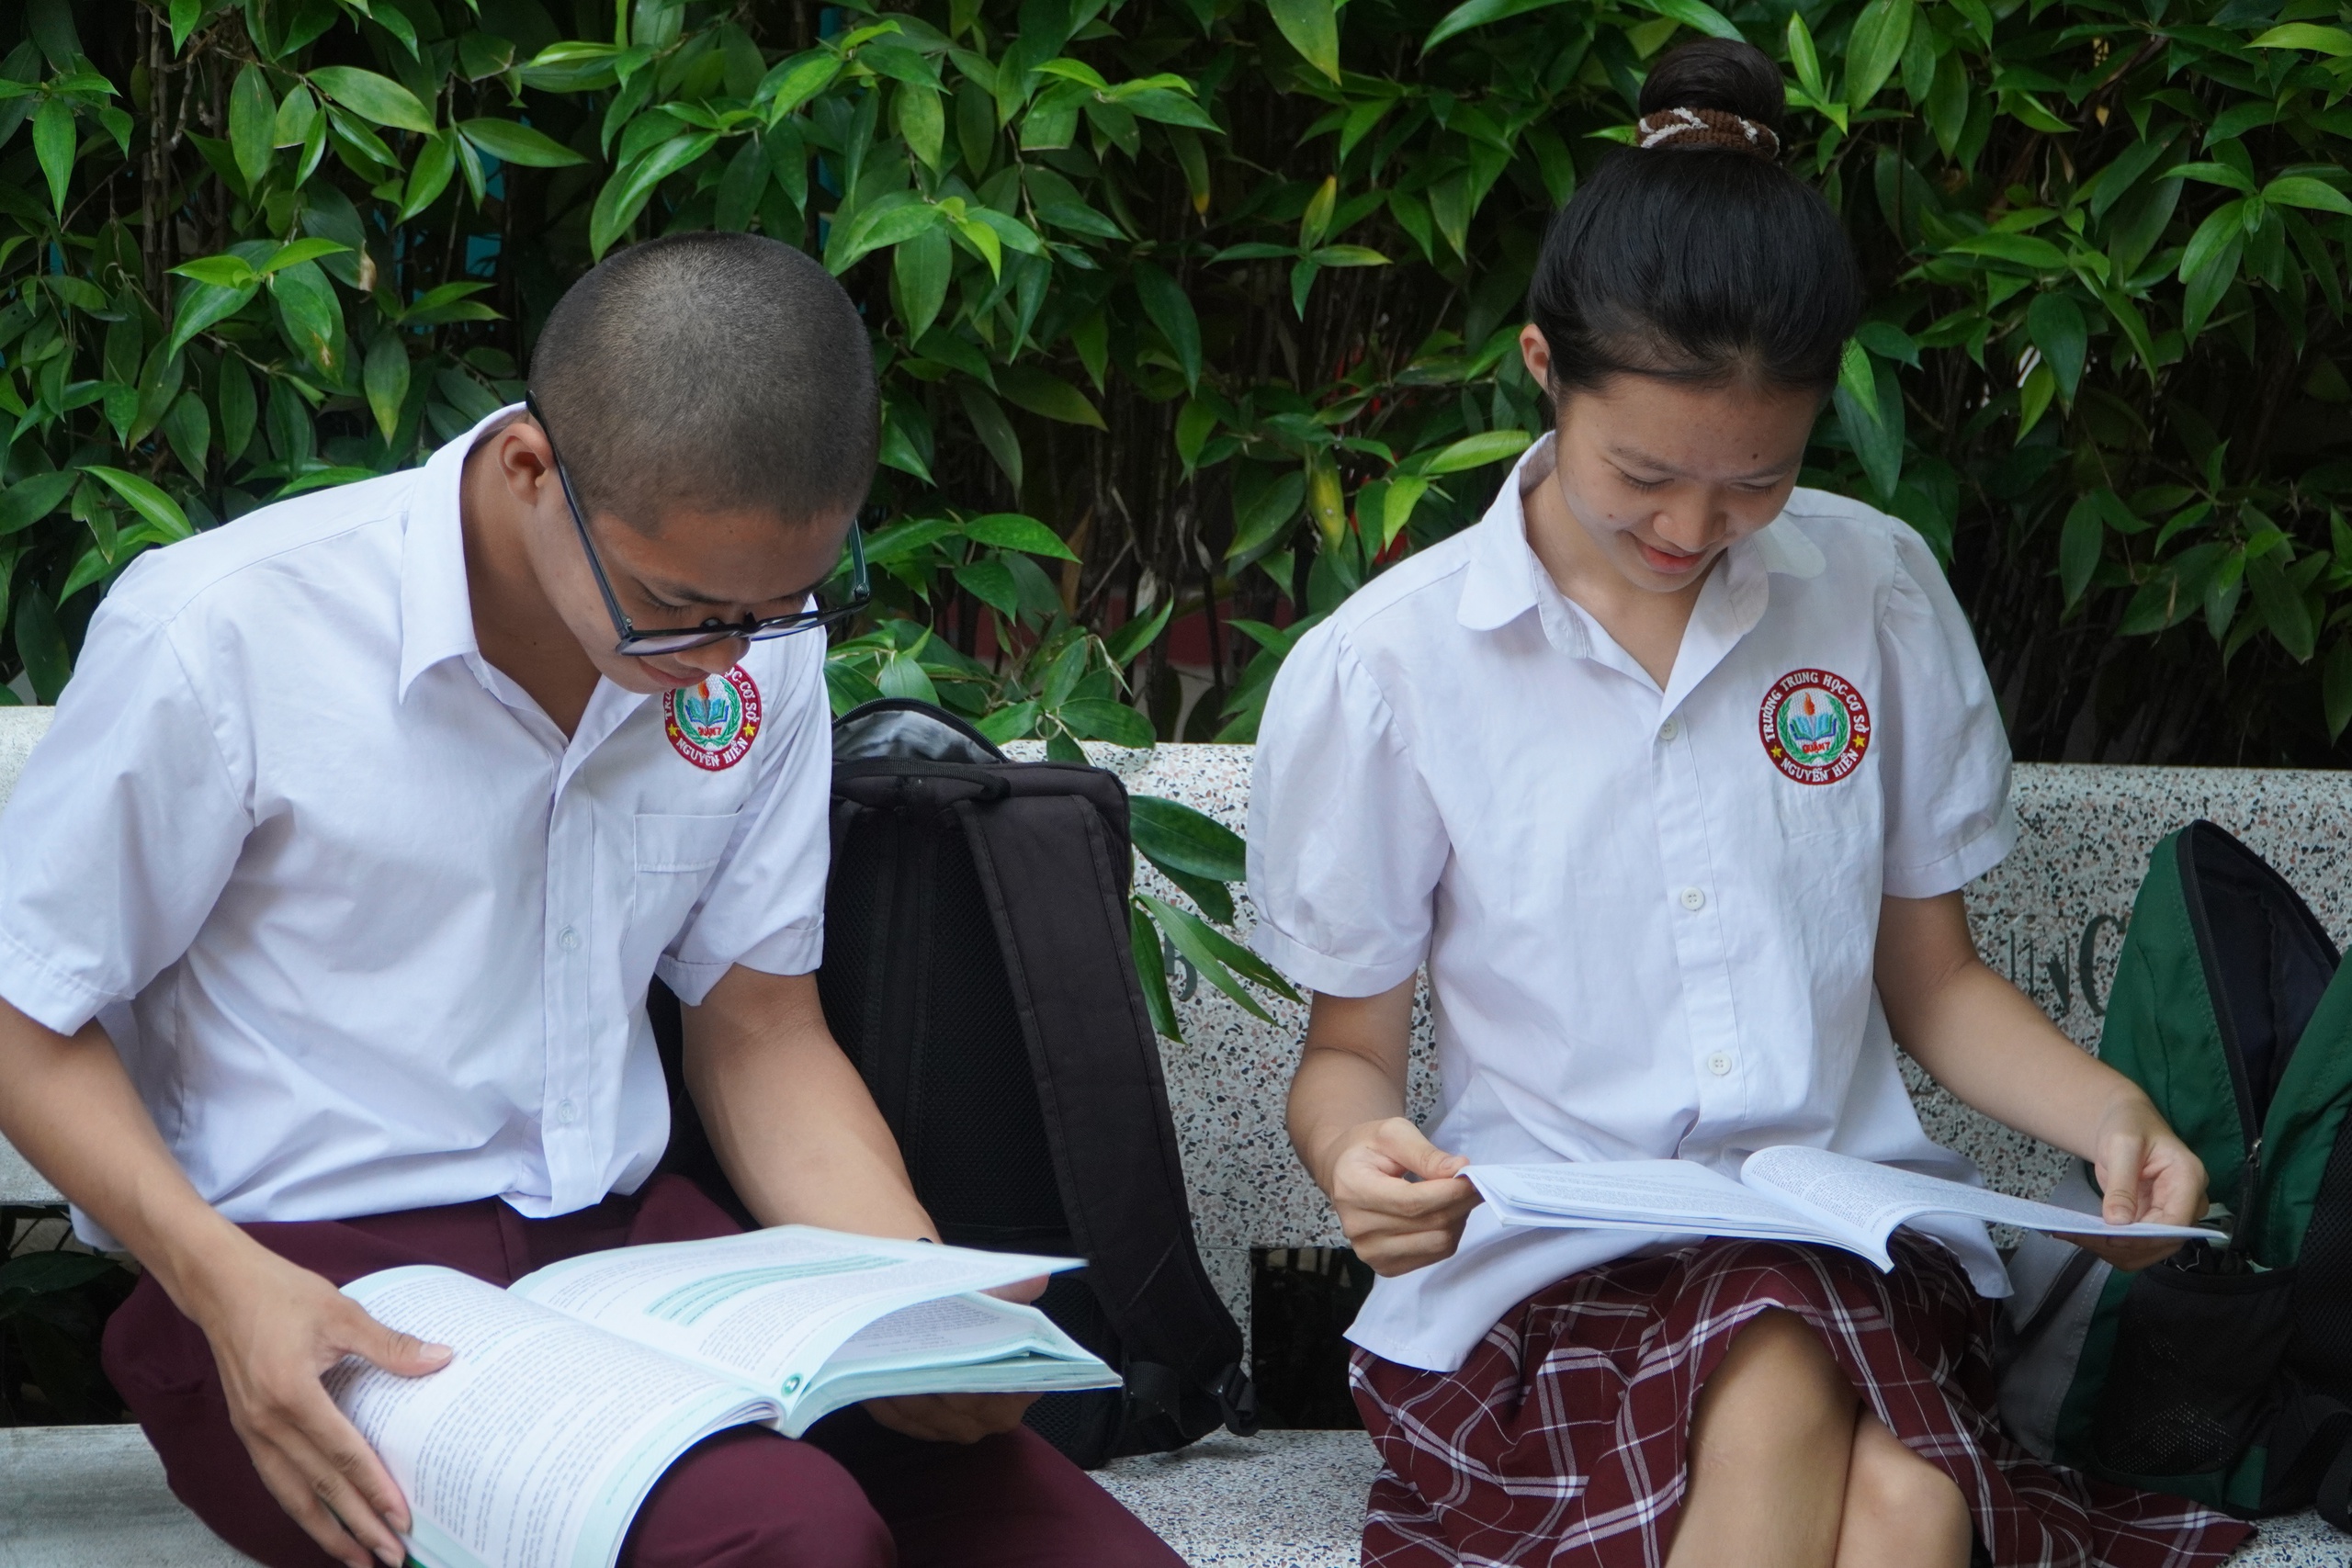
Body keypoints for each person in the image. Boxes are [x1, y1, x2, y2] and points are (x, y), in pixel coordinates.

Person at [0, 232, 1180, 1568]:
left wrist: (914, 1303)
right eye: (682, 605)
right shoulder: (227, 632)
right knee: (788, 1543)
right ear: (531, 470)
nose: (727, 656)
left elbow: (762, 1030)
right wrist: (217, 1280)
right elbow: (21, 1009)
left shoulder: (748, 652)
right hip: (296, 1287)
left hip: (635, 1268)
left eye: (779, 606)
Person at [1250, 40, 2255, 1568]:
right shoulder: (1392, 671)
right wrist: (1357, 1166)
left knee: (1818, 1373)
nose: (1692, 528)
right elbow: (1348, 1058)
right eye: (1642, 473)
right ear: (1542, 367)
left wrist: (2115, 1115)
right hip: (1540, 1288)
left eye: (1757, 481)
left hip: (1848, 1255)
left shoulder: (1875, 591)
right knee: (1897, 1487)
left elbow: (1934, 982)